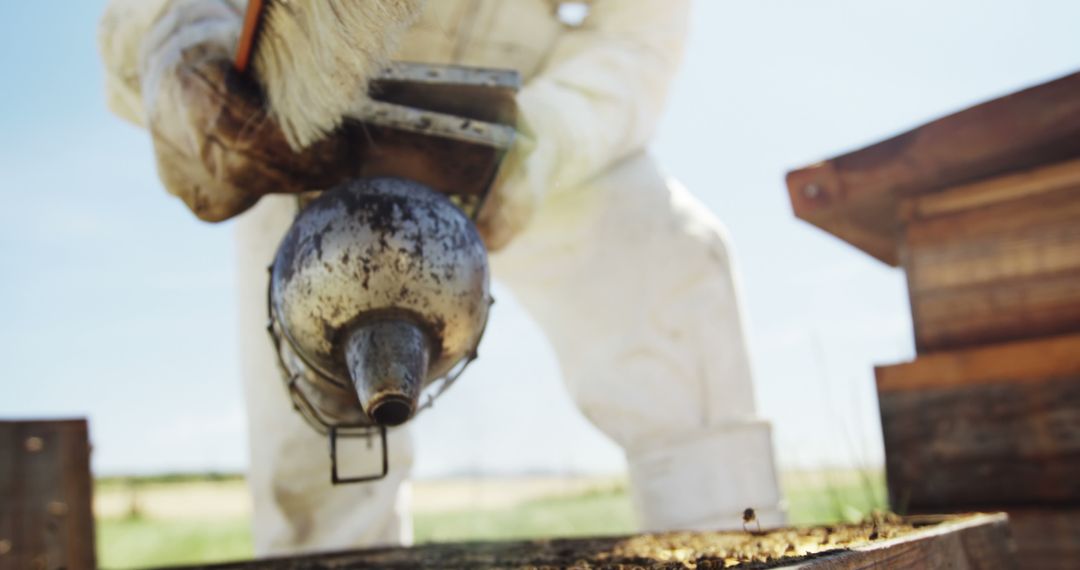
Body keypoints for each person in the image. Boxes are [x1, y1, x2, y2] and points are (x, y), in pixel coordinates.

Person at [99, 0, 785, 555]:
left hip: (528, 122)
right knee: (319, 456)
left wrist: (542, 143)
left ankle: (732, 535)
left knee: (674, 256)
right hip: (306, 125)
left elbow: (640, 29)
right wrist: (181, 46)